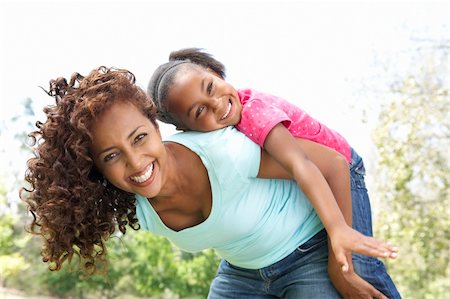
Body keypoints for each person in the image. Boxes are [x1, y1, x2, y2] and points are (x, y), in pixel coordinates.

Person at [22, 66, 394, 298]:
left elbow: (333, 164)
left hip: (310, 250)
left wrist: (337, 260)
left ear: (157, 127)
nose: (136, 163)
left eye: (139, 138)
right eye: (111, 156)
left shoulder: (222, 151)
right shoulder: (132, 204)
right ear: (96, 171)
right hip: (243, 273)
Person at [147, 48, 401, 298]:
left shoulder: (254, 113)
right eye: (199, 111)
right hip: (309, 181)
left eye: (210, 87)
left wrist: (337, 232)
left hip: (343, 169)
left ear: (214, 72)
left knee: (359, 270)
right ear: (184, 129)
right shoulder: (215, 139)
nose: (215, 104)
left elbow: (302, 164)